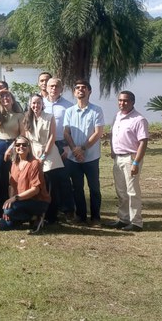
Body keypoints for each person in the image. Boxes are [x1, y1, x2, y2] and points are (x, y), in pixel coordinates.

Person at [63, 79, 104, 224]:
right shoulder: (69, 111)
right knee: (77, 188)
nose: (81, 90)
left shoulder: (96, 110)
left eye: (84, 88)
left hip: (91, 157)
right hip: (74, 159)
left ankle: (95, 217)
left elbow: (98, 132)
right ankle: (80, 216)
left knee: (94, 188)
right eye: (78, 88)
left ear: (89, 91)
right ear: (74, 92)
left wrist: (83, 149)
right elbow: (66, 133)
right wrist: (75, 150)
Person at [108, 91, 148, 232]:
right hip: (118, 158)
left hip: (131, 158)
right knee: (121, 191)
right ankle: (123, 219)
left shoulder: (139, 119)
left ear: (132, 102)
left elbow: (143, 142)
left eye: (125, 101)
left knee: (132, 191)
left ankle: (136, 222)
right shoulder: (117, 116)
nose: (122, 103)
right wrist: (113, 150)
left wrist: (136, 162)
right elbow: (112, 134)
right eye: (120, 100)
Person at [22, 94, 65, 224]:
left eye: (39, 103)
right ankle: (39, 214)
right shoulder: (27, 118)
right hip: (34, 155)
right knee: (37, 186)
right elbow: (26, 138)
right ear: (30, 104)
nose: (36, 106)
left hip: (49, 154)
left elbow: (52, 136)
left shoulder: (49, 117)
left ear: (42, 104)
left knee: (50, 187)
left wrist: (44, 155)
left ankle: (52, 216)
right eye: (34, 103)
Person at [0, 136, 50, 232]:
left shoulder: (35, 163)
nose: (21, 147)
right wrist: (10, 202)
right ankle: (31, 218)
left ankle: (37, 215)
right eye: (18, 145)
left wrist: (14, 199)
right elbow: (12, 187)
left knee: (8, 211)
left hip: (37, 201)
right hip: (21, 201)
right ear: (15, 147)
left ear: (29, 148)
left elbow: (35, 190)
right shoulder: (14, 163)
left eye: (24, 145)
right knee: (3, 225)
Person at [0, 88, 24, 219]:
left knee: (15, 177)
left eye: (8, 96)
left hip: (16, 146)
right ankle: (2, 209)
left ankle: (16, 206)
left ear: (12, 100)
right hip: (0, 145)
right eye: (2, 98)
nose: (5, 99)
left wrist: (11, 148)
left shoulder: (19, 115)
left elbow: (22, 134)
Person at [43, 77, 75, 219]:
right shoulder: (40, 104)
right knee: (47, 178)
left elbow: (71, 128)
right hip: (44, 146)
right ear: (46, 87)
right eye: (51, 86)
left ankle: (67, 209)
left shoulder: (68, 105)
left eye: (57, 86)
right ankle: (50, 210)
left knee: (64, 178)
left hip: (61, 144)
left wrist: (68, 147)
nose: (53, 89)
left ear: (61, 89)